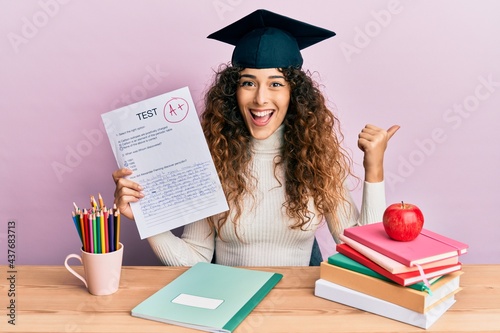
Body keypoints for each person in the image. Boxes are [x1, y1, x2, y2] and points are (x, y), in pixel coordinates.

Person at [112, 9, 399, 266]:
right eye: (248, 83)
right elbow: (193, 258)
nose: (260, 98)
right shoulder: (212, 160)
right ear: (231, 92)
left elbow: (364, 254)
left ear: (294, 94)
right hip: (227, 305)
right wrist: (148, 219)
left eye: (276, 83)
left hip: (294, 310)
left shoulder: (317, 161)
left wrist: (374, 168)